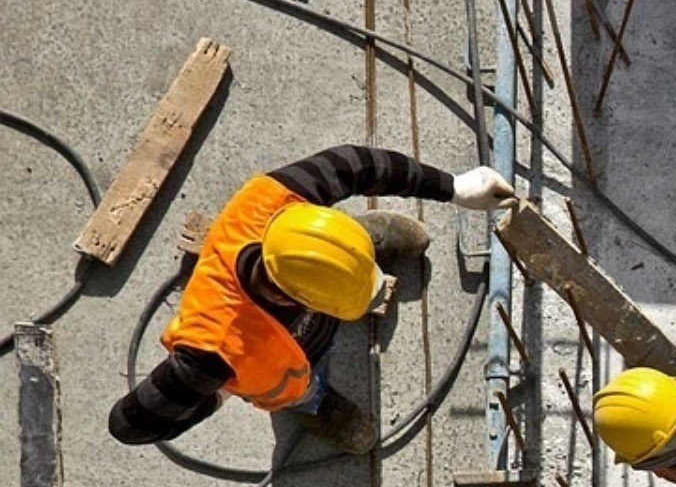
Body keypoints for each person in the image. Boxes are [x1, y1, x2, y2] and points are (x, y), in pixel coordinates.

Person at [109, 146, 514, 454]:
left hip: (316, 257)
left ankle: (356, 244)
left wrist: (454, 188)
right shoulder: (211, 350)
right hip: (289, 375)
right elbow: (128, 425)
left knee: (361, 246)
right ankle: (312, 405)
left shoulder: (274, 198)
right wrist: (220, 392)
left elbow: (358, 164)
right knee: (302, 390)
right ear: (304, 299)